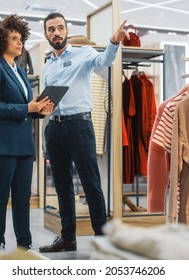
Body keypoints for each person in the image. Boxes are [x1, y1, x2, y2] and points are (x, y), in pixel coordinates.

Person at [39, 12, 129, 253]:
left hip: (79, 126)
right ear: (46, 34)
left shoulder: (84, 53)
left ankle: (102, 240)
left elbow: (104, 62)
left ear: (66, 31)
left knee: (91, 185)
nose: (56, 32)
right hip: (54, 127)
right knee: (62, 185)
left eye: (60, 28)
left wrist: (113, 42)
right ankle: (67, 237)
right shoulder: (48, 63)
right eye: (51, 29)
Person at [0, 14, 54, 260]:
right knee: (0, 198)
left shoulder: (20, 72)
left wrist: (39, 111)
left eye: (20, 38)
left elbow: (26, 108)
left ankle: (25, 245)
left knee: (23, 198)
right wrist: (27, 109)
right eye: (14, 38)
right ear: (1, 41)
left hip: (23, 144)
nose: (19, 43)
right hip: (3, 144)